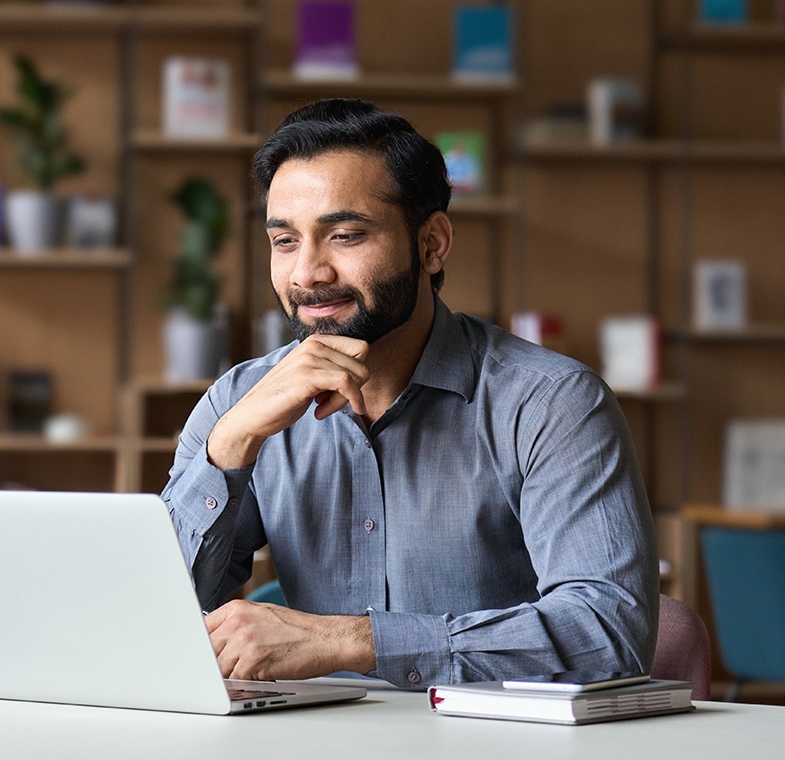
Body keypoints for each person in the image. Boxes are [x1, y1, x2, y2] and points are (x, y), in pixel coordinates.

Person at [162, 98, 659, 689]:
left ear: (432, 244)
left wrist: (353, 641)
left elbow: (610, 633)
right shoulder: (237, 403)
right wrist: (230, 448)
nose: (307, 274)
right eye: (285, 241)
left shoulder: (551, 403)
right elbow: (151, 620)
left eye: (345, 235)